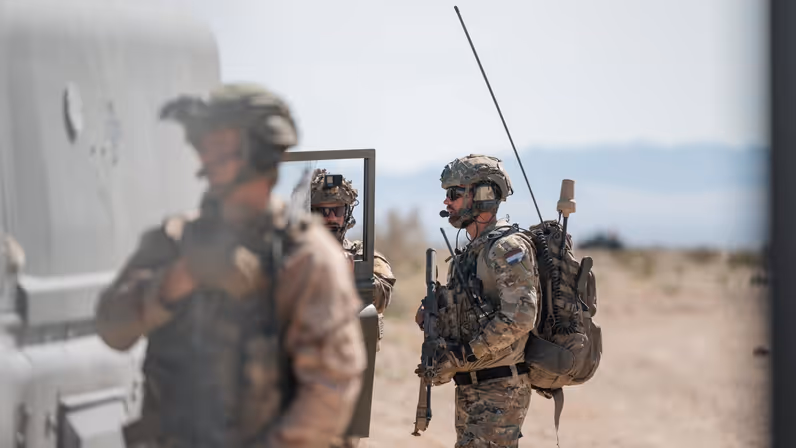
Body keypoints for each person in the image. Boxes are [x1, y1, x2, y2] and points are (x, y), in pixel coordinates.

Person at [94, 83, 367, 448]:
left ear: (259, 151)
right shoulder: (174, 241)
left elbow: (330, 389)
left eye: (222, 144)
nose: (207, 155)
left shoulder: (307, 257)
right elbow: (112, 327)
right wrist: (178, 279)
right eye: (204, 144)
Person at [415, 154, 541, 448]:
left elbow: (521, 316)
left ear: (484, 195)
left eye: (455, 194)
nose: (448, 202)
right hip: (474, 385)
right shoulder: (472, 251)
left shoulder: (507, 248)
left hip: (498, 388)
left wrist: (465, 354)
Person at [310, 169, 396, 448]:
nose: (329, 218)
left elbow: (382, 296)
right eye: (321, 211)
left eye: (336, 210)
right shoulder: (293, 255)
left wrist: (351, 274)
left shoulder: (365, 256)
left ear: (347, 212)